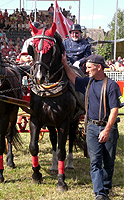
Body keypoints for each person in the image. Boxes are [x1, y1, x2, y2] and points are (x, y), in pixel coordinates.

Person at [62, 53, 123, 200]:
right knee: (95, 162)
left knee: (108, 162)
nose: (87, 70)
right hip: (91, 128)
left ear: (99, 67)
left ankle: (106, 189)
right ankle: (100, 193)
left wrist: (107, 130)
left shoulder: (112, 86)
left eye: (89, 67)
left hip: (108, 128)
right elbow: (73, 78)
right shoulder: (87, 82)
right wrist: (64, 63)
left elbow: (115, 110)